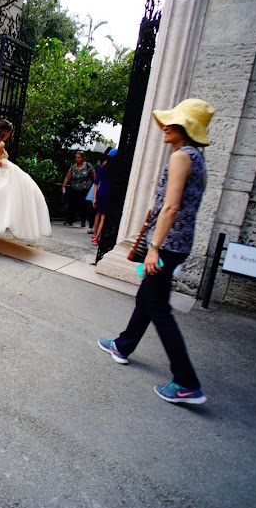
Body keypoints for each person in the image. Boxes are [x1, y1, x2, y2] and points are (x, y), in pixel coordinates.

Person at [97, 98, 215, 405]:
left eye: (171, 123)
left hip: (168, 243)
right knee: (148, 297)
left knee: (159, 307)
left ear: (184, 127)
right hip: (180, 242)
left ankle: (187, 382)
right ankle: (123, 345)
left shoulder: (181, 158)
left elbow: (173, 207)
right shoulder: (196, 157)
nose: (164, 127)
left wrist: (153, 248)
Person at [61, 151, 95, 228]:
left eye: (79, 157)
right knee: (72, 203)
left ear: (83, 158)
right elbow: (68, 176)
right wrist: (64, 185)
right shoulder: (73, 167)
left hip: (84, 187)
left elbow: (94, 175)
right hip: (74, 187)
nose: (77, 159)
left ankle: (83, 220)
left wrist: (95, 185)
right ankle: (69, 219)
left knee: (83, 204)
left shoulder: (88, 166)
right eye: (76, 157)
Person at [90, 148, 117, 245]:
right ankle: (97, 237)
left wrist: (95, 197)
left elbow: (96, 183)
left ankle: (94, 234)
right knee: (103, 216)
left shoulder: (101, 168)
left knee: (98, 213)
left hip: (101, 191)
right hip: (109, 193)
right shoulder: (115, 170)